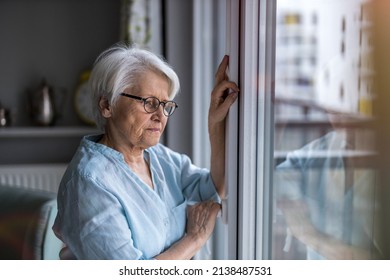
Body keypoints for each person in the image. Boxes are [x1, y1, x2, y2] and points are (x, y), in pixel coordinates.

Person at [52, 43, 239, 260]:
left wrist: (215, 124)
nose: (161, 115)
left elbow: (217, 187)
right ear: (107, 105)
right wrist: (194, 239)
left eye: (166, 105)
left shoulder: (159, 157)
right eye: (149, 103)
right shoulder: (89, 183)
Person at [275, 114, 382, 259]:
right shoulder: (325, 147)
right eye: (332, 110)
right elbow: (278, 179)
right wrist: (311, 236)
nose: (338, 118)